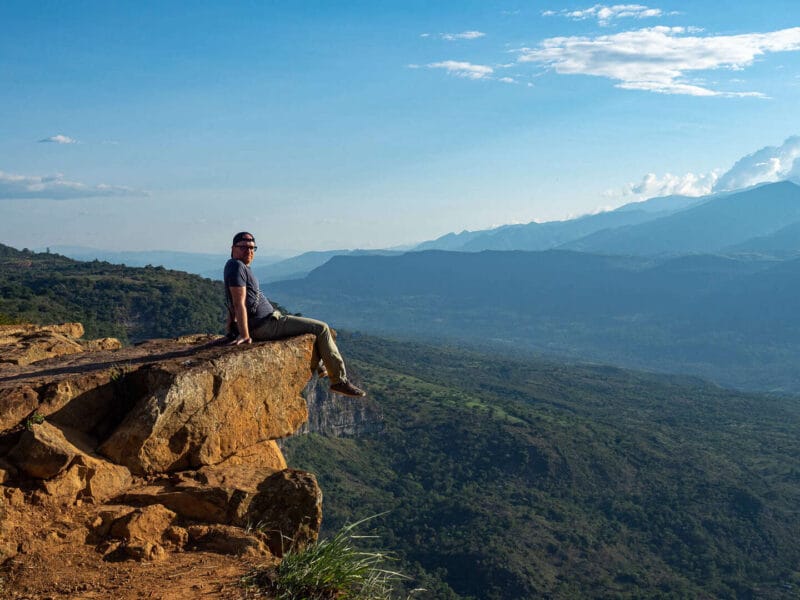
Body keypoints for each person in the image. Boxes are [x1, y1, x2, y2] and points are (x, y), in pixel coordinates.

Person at [224, 231, 366, 397]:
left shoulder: (237, 267)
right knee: (321, 328)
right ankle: (339, 381)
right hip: (266, 324)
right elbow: (237, 302)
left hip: (267, 321)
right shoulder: (236, 267)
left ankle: (321, 367)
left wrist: (230, 330)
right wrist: (244, 334)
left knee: (309, 330)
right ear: (233, 249)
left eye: (252, 248)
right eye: (243, 247)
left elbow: (232, 302)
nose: (249, 251)